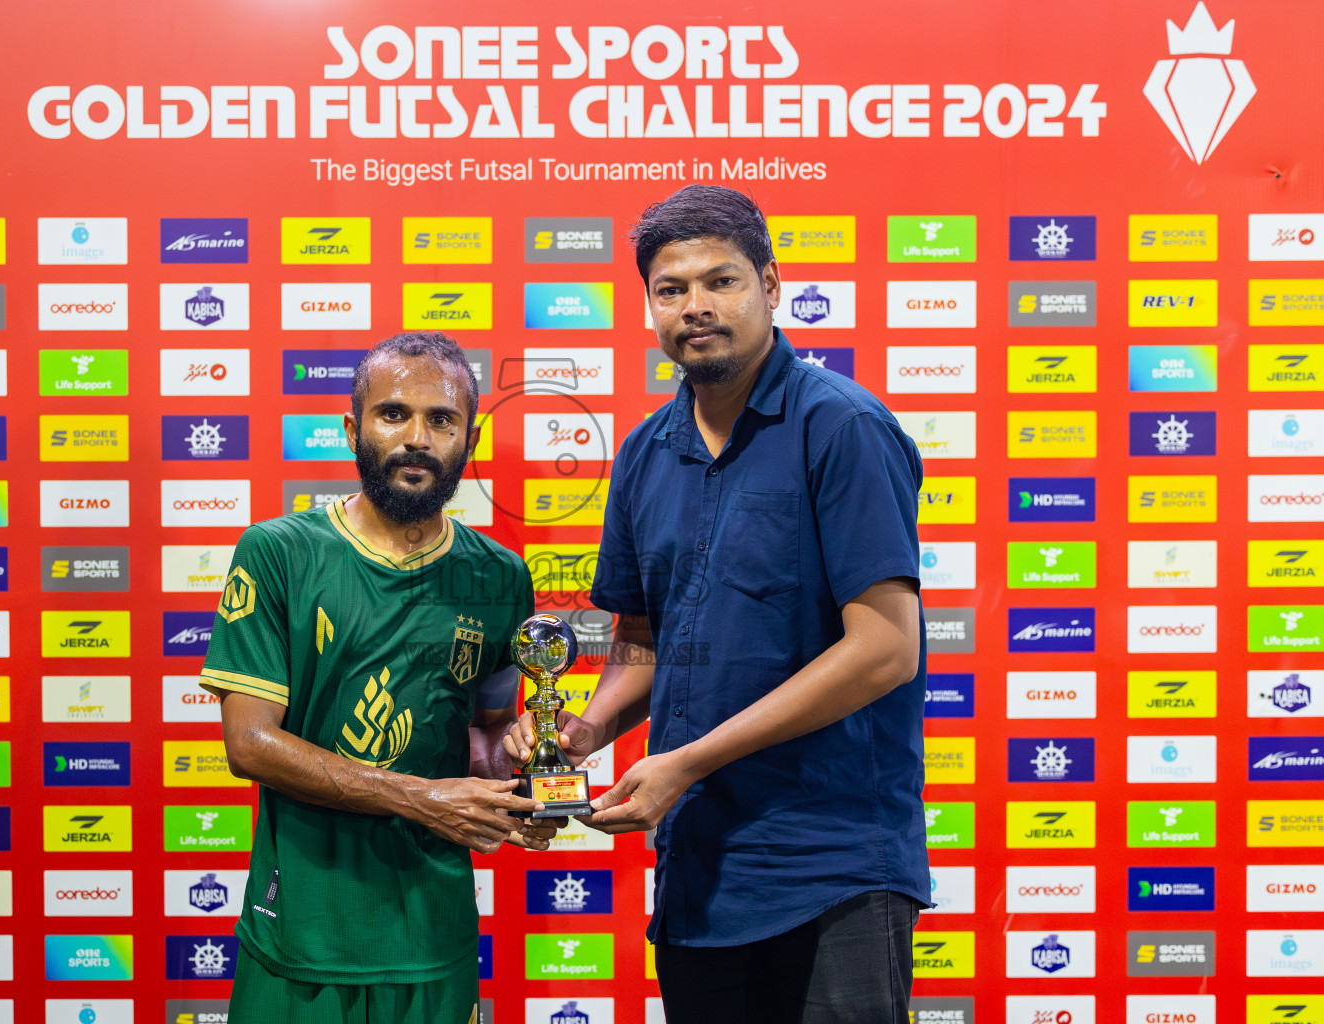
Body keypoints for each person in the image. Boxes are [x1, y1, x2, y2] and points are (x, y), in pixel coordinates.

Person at [505, 185, 931, 1024]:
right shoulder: (640, 455)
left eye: (721, 281)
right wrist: (585, 731)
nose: (695, 307)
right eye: (671, 290)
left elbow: (886, 649)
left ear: (771, 285)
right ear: (649, 308)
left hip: (831, 862)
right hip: (702, 864)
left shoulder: (840, 426)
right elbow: (643, 641)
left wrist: (689, 761)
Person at [203, 331, 550, 1024]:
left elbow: (481, 741)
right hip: (301, 932)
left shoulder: (499, 575)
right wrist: (421, 798)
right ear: (350, 428)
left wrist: (522, 782)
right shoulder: (278, 554)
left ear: (470, 440)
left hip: (433, 931)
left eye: (442, 419)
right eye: (394, 414)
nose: (417, 436)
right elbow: (248, 745)